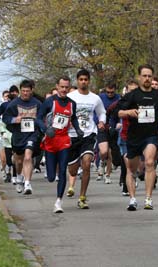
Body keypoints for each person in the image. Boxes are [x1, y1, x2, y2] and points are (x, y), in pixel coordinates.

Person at [116, 64, 158, 211]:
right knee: (131, 169)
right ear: (139, 77)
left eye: (150, 76)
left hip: (151, 135)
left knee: (149, 162)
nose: (147, 79)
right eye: (144, 76)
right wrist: (129, 112)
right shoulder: (132, 95)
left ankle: (148, 199)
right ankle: (132, 199)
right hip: (134, 136)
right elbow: (118, 112)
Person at [37, 76, 83, 213]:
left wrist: (78, 128)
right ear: (57, 87)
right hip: (50, 141)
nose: (64, 90)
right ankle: (50, 173)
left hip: (64, 140)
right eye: (62, 87)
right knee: (51, 177)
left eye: (66, 87)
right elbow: (38, 118)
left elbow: (73, 118)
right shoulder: (49, 102)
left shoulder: (71, 104)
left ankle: (58, 202)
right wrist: (46, 129)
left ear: (69, 88)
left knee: (62, 170)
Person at [66, 69, 106, 209]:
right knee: (72, 170)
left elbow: (102, 113)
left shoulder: (95, 98)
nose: (83, 82)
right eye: (81, 79)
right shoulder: (70, 97)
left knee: (87, 163)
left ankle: (82, 197)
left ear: (89, 81)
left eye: (86, 79)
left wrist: (101, 122)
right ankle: (73, 174)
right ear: (77, 81)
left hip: (89, 134)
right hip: (72, 135)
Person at [3, 80, 42, 194]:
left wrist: (42, 131)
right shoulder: (14, 104)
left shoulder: (37, 104)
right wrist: (15, 120)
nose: (25, 93)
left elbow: (42, 118)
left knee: (28, 157)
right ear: (20, 91)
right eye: (23, 91)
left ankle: (27, 183)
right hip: (19, 136)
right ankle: (19, 178)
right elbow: (5, 118)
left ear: (31, 91)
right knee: (19, 161)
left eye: (28, 91)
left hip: (32, 134)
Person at [97, 81, 121, 183]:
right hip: (102, 127)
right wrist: (98, 122)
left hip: (113, 128)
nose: (110, 94)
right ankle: (102, 161)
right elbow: (96, 111)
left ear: (115, 90)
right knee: (104, 151)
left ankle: (107, 175)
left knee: (111, 152)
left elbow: (121, 112)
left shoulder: (119, 98)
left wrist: (119, 123)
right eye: (108, 92)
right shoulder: (100, 98)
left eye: (112, 92)